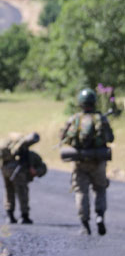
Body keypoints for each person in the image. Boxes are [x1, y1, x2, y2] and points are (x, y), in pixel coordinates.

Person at [60, 88, 114, 236]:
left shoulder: (74, 119)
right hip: (98, 161)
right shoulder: (100, 118)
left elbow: (63, 137)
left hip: (79, 162)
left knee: (81, 192)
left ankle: (85, 225)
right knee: (100, 189)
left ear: (80, 103)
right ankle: (99, 216)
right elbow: (110, 138)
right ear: (94, 102)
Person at [0, 132, 47, 225]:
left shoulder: (20, 150)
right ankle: (24, 216)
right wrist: (35, 172)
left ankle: (10, 216)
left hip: (4, 168)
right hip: (16, 169)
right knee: (22, 191)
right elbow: (43, 168)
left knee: (9, 190)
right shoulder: (31, 155)